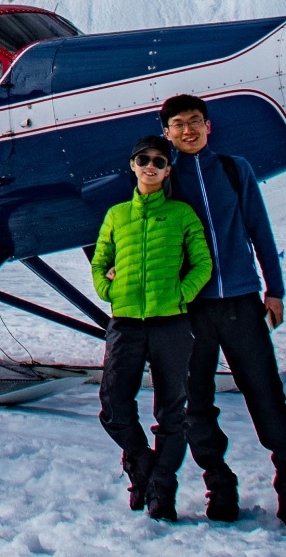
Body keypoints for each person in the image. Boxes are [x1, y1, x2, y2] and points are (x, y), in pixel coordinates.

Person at [161, 93, 286, 534]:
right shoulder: (164, 180)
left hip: (242, 303)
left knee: (267, 396)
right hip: (188, 310)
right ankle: (219, 484)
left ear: (208, 127)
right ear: (167, 133)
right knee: (197, 403)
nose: (188, 130)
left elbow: (259, 230)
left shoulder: (235, 169)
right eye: (179, 124)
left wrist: (276, 289)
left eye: (196, 121)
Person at [89, 135, 211, 522]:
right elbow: (99, 261)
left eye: (159, 161)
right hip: (125, 322)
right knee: (113, 407)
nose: (151, 166)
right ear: (133, 165)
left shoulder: (181, 214)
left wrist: (180, 294)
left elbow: (202, 265)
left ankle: (161, 490)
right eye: (143, 159)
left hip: (171, 324)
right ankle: (142, 466)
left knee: (172, 412)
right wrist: (109, 290)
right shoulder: (116, 215)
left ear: (168, 169)